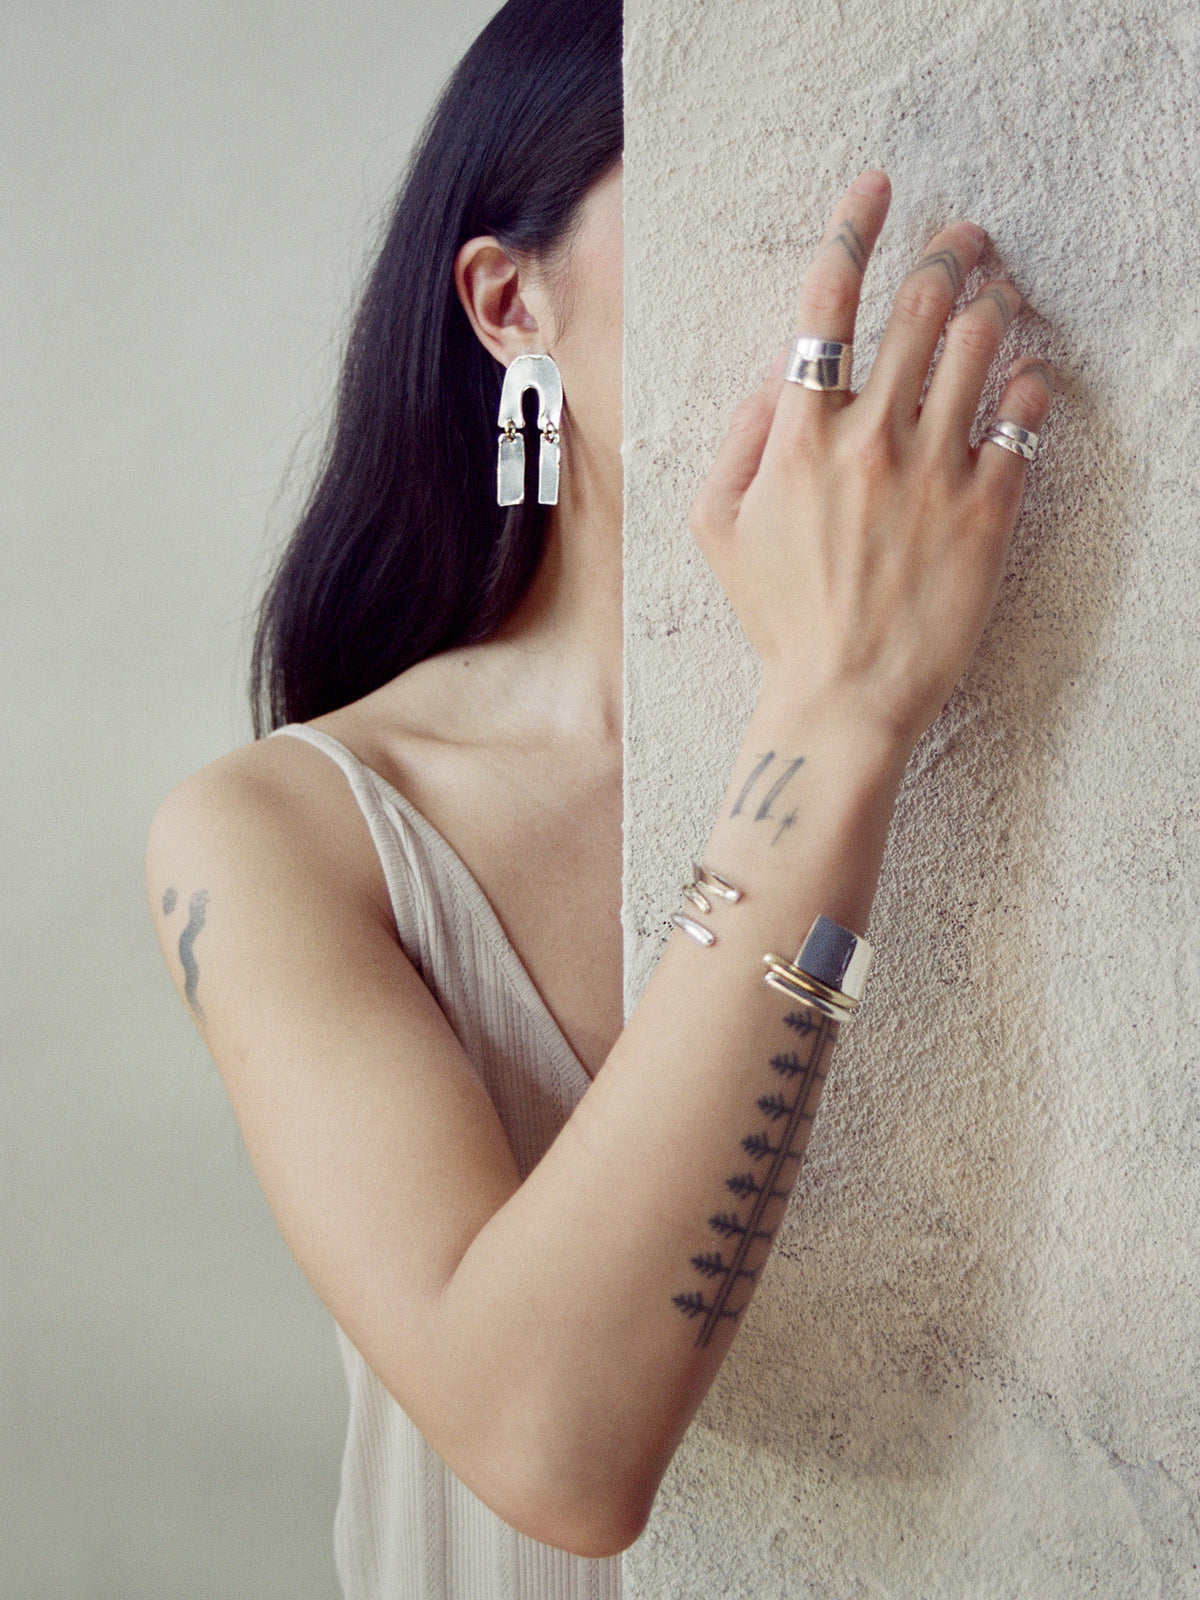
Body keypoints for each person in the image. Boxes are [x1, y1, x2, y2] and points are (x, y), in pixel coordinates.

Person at [147, 0, 1055, 1593]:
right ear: (512, 306)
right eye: (755, 195)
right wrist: (835, 709)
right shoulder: (280, 836)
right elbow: (556, 1448)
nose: (833, 305)